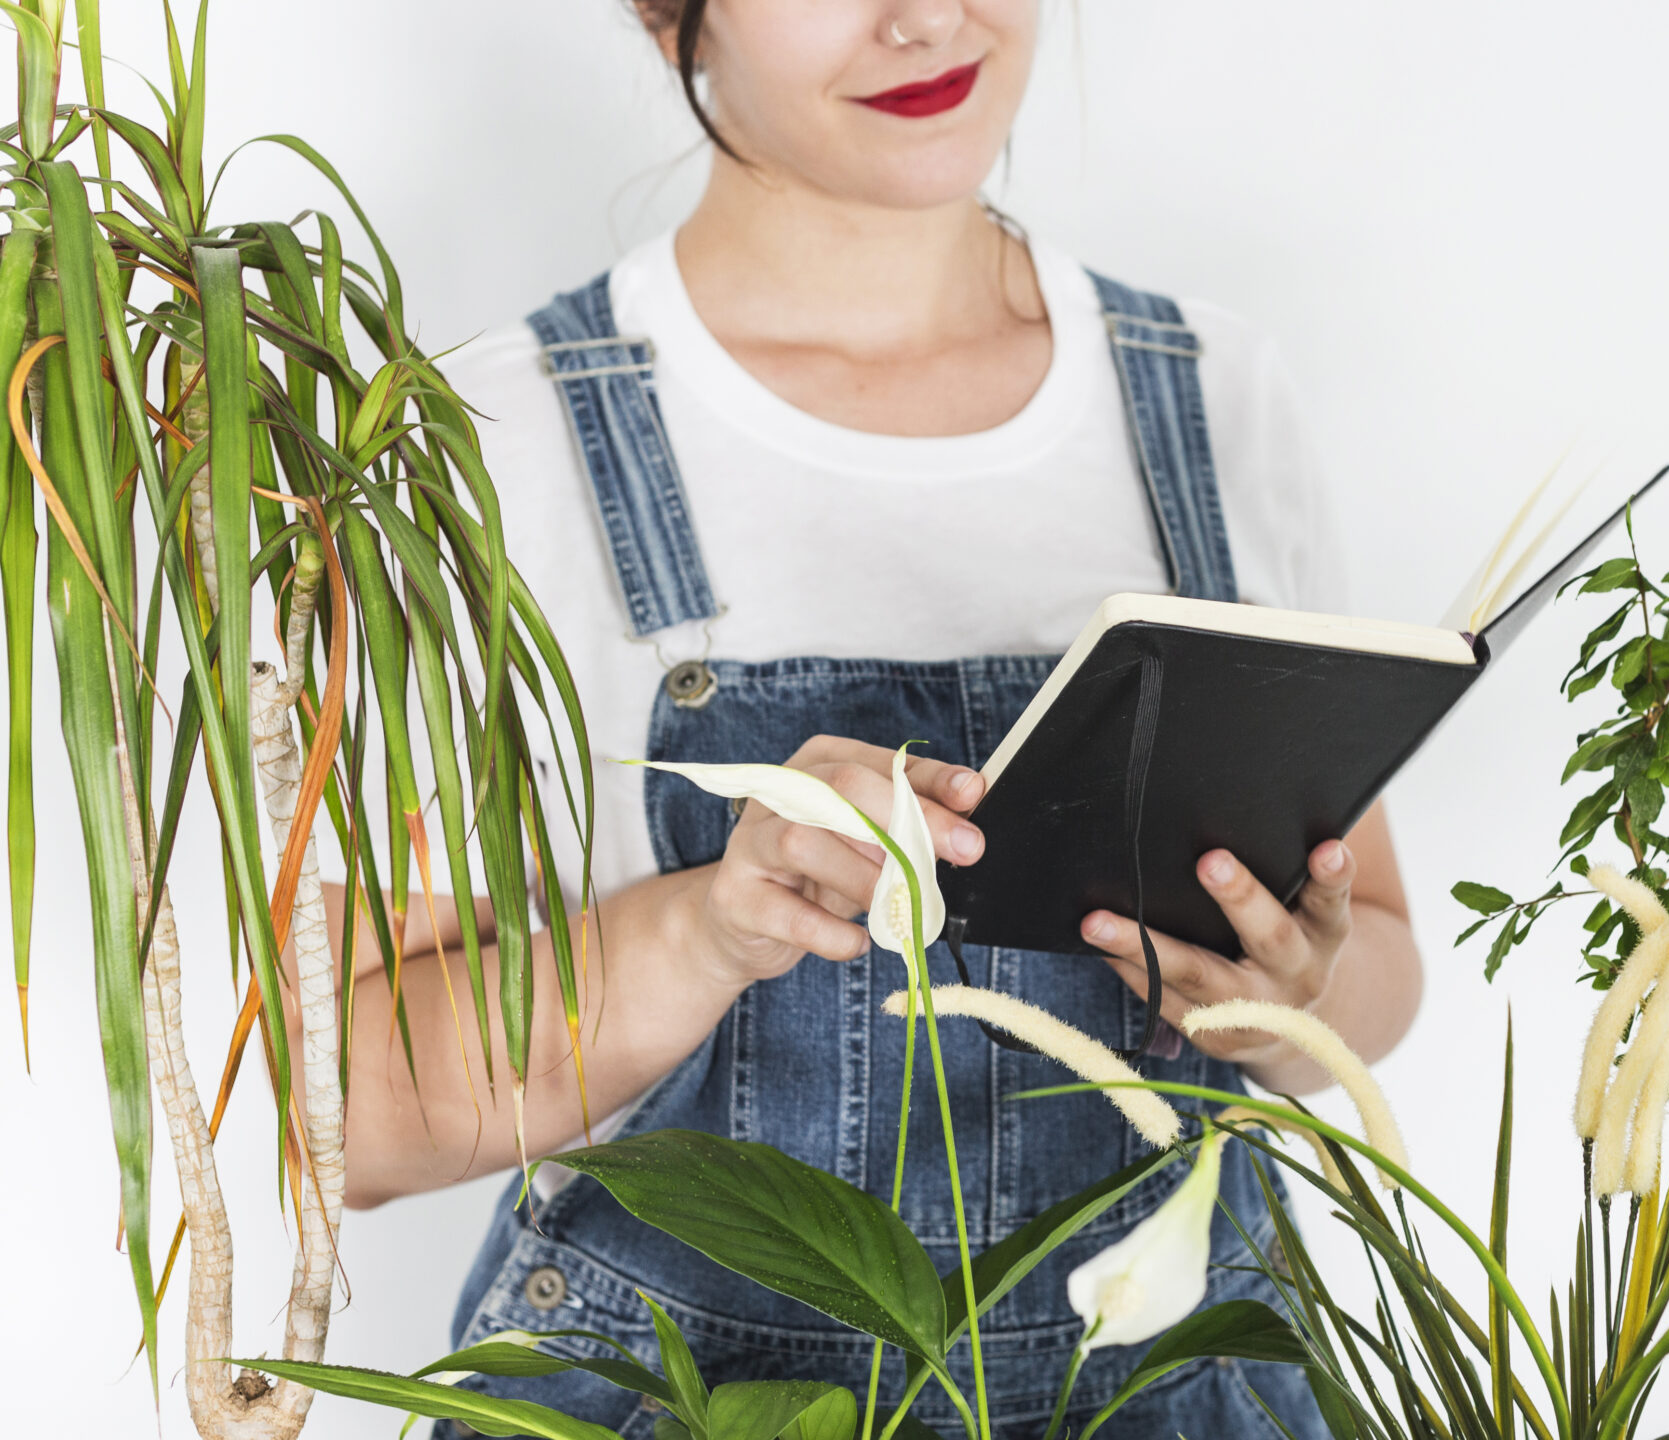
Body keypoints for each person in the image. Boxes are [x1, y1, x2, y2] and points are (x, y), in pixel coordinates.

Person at [317, 2, 1425, 1435]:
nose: (926, 19)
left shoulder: (1212, 397)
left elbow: (1380, 966)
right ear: (667, 17)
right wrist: (706, 927)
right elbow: (344, 1119)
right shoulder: (486, 444)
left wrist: (1292, 999)